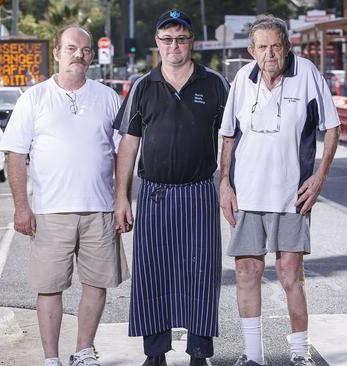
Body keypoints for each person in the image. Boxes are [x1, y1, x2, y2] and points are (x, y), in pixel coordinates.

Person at [0, 25, 127, 366]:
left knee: (96, 284)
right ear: (56, 53)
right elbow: (15, 154)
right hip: (50, 211)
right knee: (49, 287)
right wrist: (21, 208)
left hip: (99, 209)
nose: (79, 54)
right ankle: (51, 358)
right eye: (71, 48)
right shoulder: (34, 98)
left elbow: (122, 154)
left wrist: (122, 199)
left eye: (85, 49)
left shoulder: (108, 98)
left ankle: (84, 351)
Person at [218, 15, 341, 366]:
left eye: (276, 45)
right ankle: (253, 355)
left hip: (291, 196)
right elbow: (228, 134)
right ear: (251, 50)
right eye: (262, 47)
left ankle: (300, 353)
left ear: (287, 46)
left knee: (291, 277)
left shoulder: (307, 74)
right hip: (247, 195)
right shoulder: (243, 78)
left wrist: (320, 177)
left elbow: (332, 128)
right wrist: (225, 183)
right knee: (246, 274)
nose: (270, 53)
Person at [113, 9, 229, 366]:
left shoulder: (215, 83)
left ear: (191, 42)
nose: (174, 45)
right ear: (157, 44)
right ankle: (155, 351)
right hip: (154, 193)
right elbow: (128, 145)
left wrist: (226, 183)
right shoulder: (142, 86)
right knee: (151, 273)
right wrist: (121, 197)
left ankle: (199, 351)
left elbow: (230, 140)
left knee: (201, 272)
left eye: (181, 38)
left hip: (198, 191)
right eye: (167, 39)